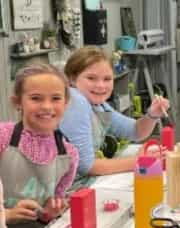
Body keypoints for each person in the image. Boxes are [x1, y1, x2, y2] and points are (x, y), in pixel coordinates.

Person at [0, 64, 79, 228]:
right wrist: (7, 214)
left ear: (66, 103)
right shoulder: (3, 138)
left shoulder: (68, 155)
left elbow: (51, 207)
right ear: (17, 102)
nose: (46, 106)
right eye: (36, 98)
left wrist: (49, 213)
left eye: (56, 98)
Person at [60, 46, 170, 176]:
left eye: (107, 79)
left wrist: (152, 115)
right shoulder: (76, 100)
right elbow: (87, 166)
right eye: (91, 78)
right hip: (68, 190)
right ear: (72, 79)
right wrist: (139, 160)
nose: (101, 85)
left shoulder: (99, 105)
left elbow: (135, 131)